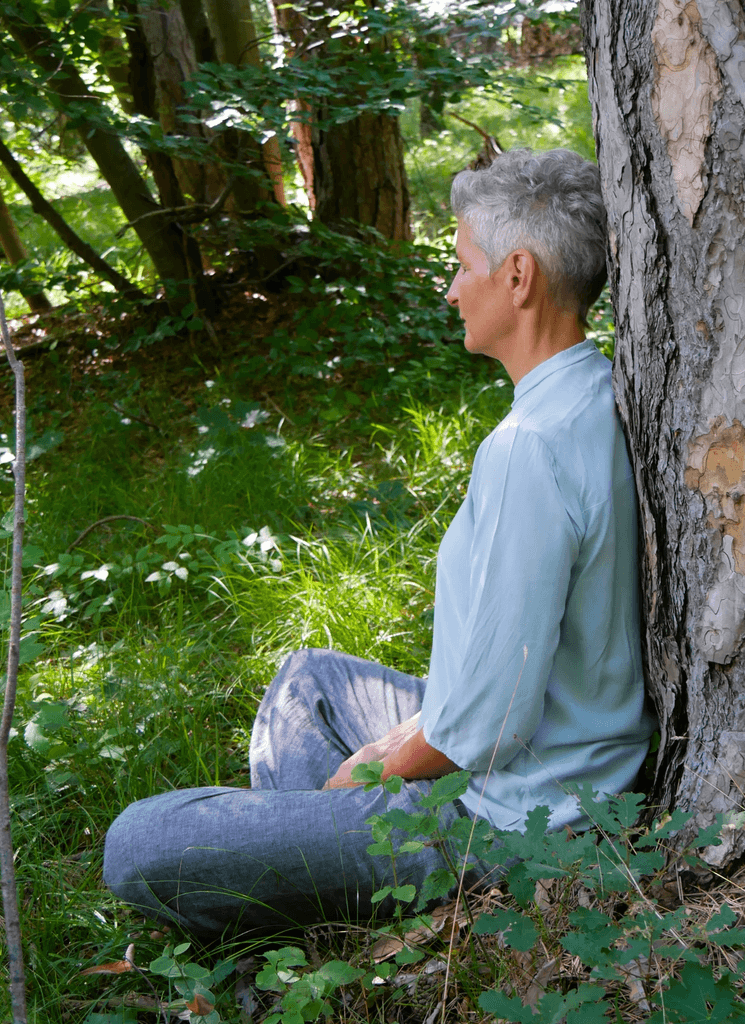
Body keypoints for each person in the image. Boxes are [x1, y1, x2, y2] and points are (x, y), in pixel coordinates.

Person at [103, 148, 656, 940]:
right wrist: (406, 733)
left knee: (140, 842)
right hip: (541, 752)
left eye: (464, 265)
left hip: (510, 824)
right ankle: (317, 884)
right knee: (310, 680)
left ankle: (328, 899)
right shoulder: (592, 391)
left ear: (518, 277)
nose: (451, 287)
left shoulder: (526, 448)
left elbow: (489, 723)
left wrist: (375, 769)